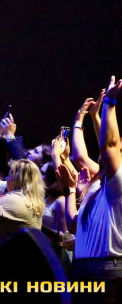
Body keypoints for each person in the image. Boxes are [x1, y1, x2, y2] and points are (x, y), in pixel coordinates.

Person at [58, 76, 122, 303]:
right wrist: (70, 190)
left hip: (105, 270)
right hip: (85, 268)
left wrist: (109, 105)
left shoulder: (118, 184)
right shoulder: (97, 185)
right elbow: (74, 223)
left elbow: (109, 146)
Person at [0, 159, 45, 264]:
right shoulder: (28, 200)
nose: (6, 179)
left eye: (10, 175)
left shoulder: (14, 200)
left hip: (1, 265)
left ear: (17, 179)